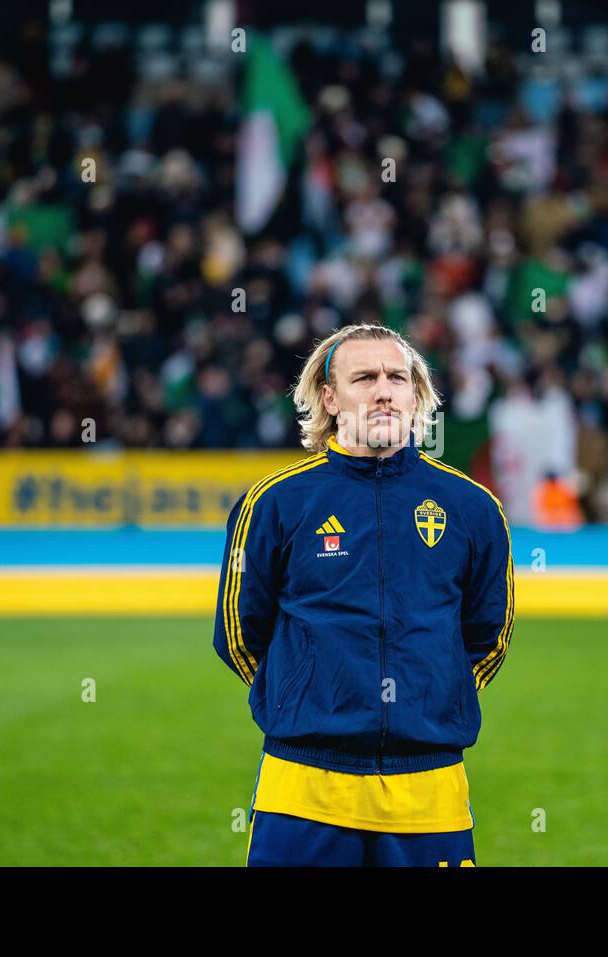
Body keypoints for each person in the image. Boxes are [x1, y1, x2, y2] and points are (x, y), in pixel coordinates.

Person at [212, 323, 515, 866]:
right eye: (365, 377)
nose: (384, 391)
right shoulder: (274, 503)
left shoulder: (473, 509)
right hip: (303, 788)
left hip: (430, 791)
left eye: (398, 377)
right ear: (329, 397)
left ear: (416, 394)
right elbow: (239, 633)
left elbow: (487, 636)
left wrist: (431, 698)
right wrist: (304, 696)